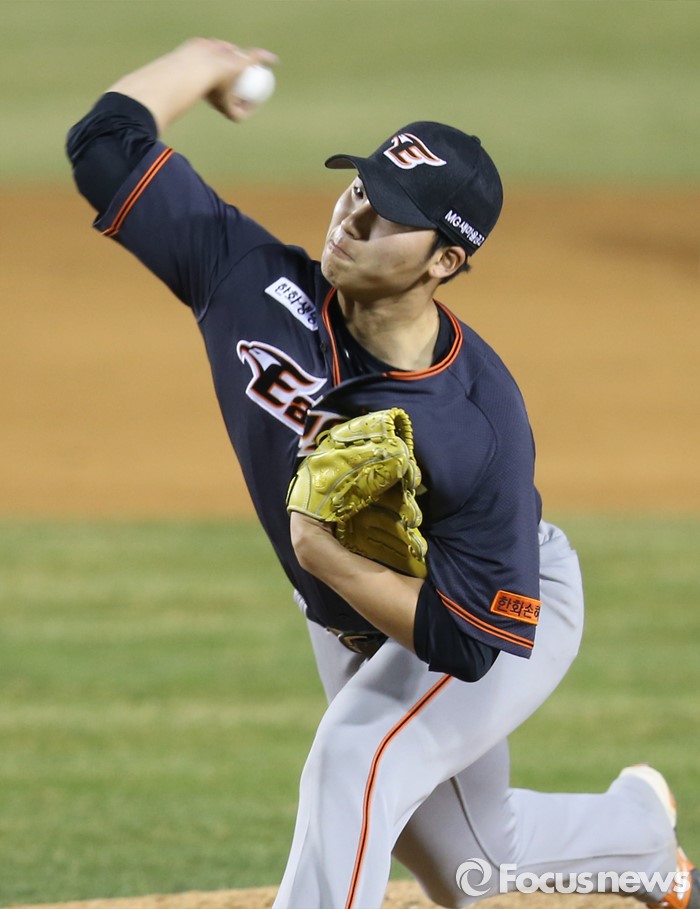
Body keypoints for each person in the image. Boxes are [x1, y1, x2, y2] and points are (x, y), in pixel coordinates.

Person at [66, 38, 696, 909]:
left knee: (354, 758)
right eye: (361, 185)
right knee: (475, 867)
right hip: (355, 611)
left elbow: (469, 642)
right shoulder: (249, 281)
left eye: (390, 213)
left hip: (490, 603)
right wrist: (205, 60)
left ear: (444, 260)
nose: (353, 217)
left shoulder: (476, 421)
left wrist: (324, 557)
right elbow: (105, 147)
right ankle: (641, 839)